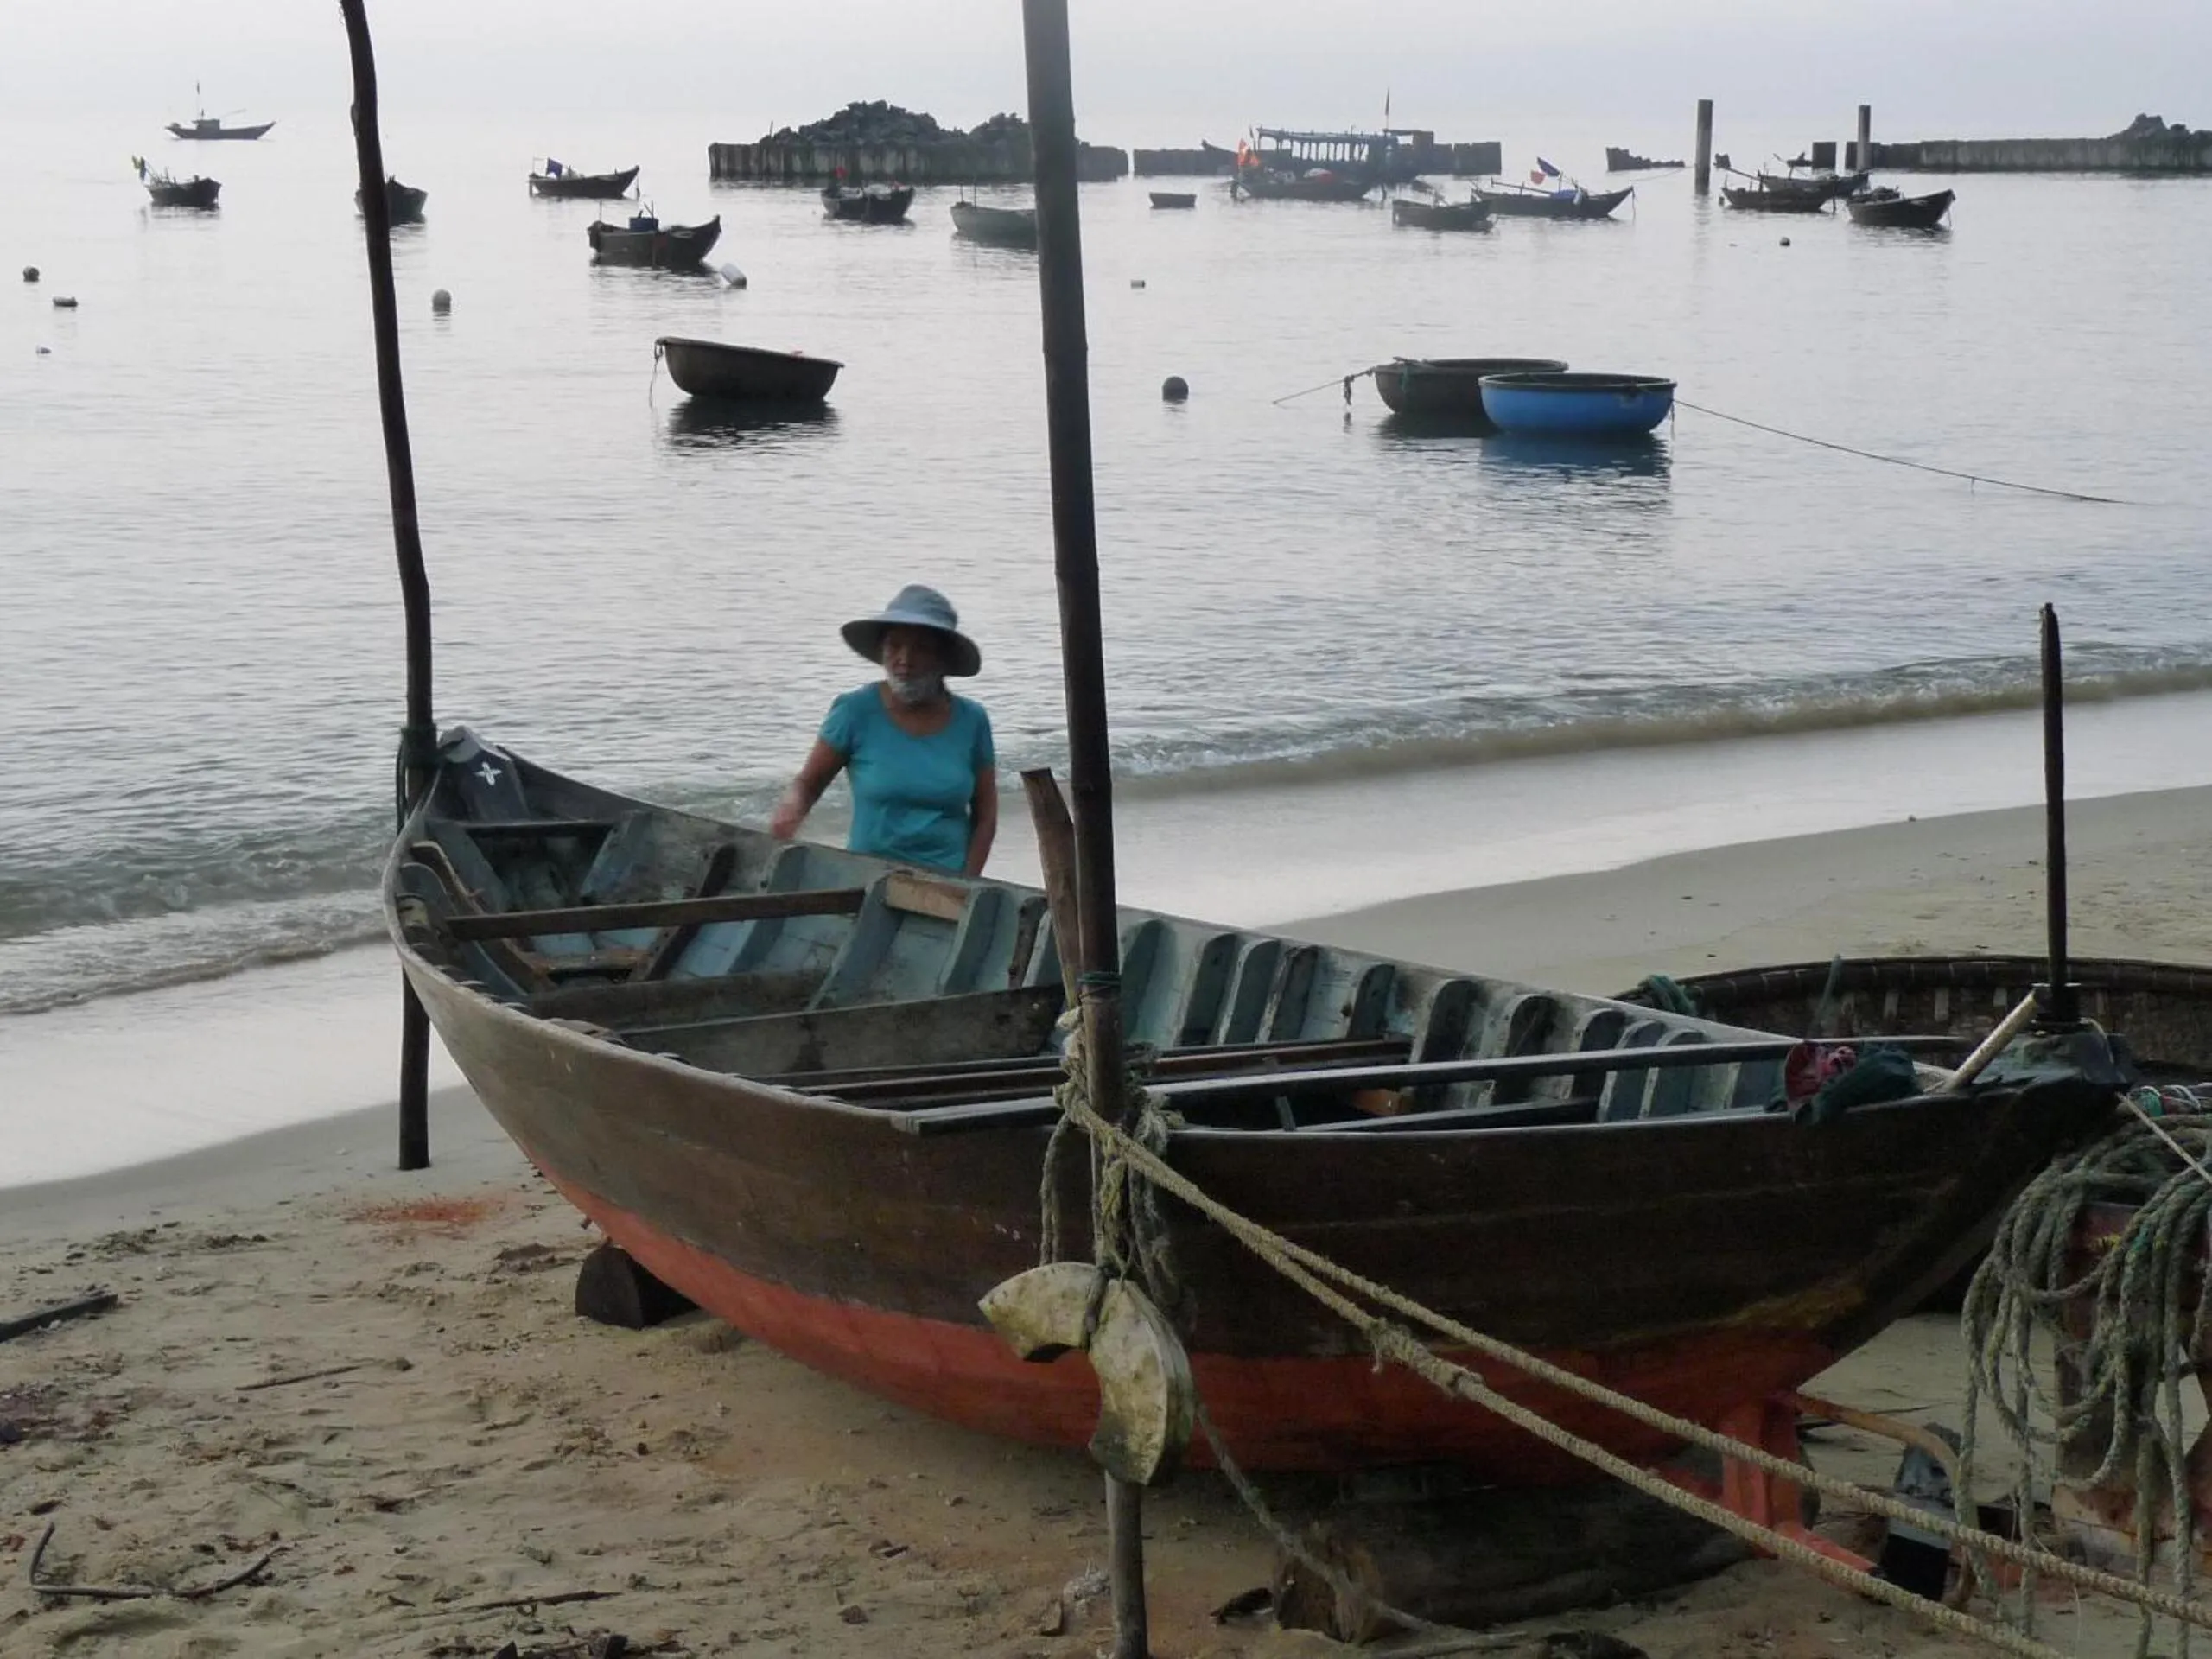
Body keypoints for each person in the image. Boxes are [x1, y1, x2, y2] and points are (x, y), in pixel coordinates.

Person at [770, 585, 996, 876]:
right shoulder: (855, 711)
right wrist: (791, 809)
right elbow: (808, 784)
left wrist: (968, 881)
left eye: (920, 648)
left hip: (947, 879)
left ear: (943, 657)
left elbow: (985, 816)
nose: (905, 659)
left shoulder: (972, 720)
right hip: (867, 876)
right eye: (894, 645)